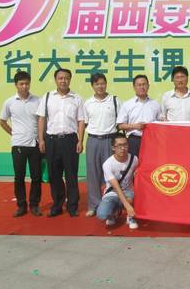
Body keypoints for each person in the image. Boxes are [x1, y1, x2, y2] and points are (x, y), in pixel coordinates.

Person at [37, 68, 85, 218]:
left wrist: (80, 140)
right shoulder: (47, 97)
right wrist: (41, 139)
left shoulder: (77, 98)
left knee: (71, 174)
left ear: (70, 80)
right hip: (51, 140)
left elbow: (81, 120)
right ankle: (57, 205)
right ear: (56, 80)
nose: (63, 81)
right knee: (54, 174)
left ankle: (72, 206)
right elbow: (41, 119)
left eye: (66, 78)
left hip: (70, 140)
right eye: (60, 78)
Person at [0, 71, 43, 217]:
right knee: (19, 177)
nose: (24, 86)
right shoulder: (9, 102)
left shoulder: (37, 101)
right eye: (21, 84)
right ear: (16, 85)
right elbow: (2, 121)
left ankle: (34, 205)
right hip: (18, 145)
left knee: (36, 177)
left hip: (35, 144)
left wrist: (42, 139)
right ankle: (21, 206)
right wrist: (13, 133)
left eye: (27, 83)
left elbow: (42, 121)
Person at [83, 73, 122, 217]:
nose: (100, 86)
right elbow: (84, 123)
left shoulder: (115, 101)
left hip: (110, 140)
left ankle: (113, 204)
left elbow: (121, 121)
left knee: (112, 173)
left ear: (106, 84)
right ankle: (94, 205)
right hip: (93, 140)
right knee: (93, 173)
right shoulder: (88, 103)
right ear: (92, 86)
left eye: (102, 83)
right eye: (97, 84)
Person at [97, 134, 139, 229]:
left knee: (132, 198)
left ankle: (130, 217)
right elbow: (116, 187)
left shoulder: (134, 159)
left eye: (125, 145)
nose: (123, 148)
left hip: (128, 191)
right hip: (112, 192)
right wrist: (127, 206)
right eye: (119, 145)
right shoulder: (107, 164)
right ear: (113, 148)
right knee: (102, 214)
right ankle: (114, 212)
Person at [117, 74, 162, 157]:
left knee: (150, 162)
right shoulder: (127, 104)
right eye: (139, 85)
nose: (142, 87)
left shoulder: (155, 104)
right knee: (133, 163)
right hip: (134, 140)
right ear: (134, 87)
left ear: (148, 86)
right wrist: (135, 126)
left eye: (144, 84)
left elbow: (160, 123)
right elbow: (120, 125)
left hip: (151, 140)